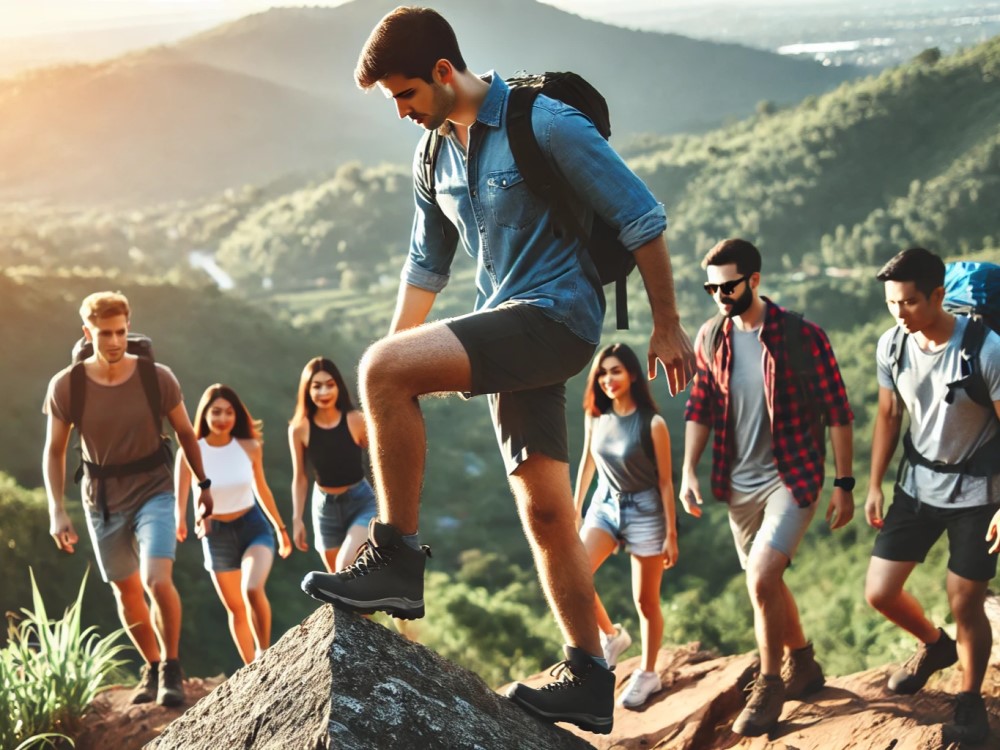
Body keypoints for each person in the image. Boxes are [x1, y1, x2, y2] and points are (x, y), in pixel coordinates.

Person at [300, 6, 695, 735]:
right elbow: (426, 266)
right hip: (507, 326)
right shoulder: (433, 156)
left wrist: (667, 325)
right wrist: (388, 368)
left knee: (383, 368)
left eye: (406, 94)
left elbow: (642, 218)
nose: (401, 111)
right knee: (546, 511)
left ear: (444, 72)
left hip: (559, 318)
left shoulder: (544, 123)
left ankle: (395, 560)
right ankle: (587, 673)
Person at [680, 238, 855, 737]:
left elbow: (839, 414)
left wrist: (844, 483)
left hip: (792, 475)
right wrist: (689, 469)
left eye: (728, 285)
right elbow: (701, 408)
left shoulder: (802, 336)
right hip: (737, 483)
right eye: (711, 287)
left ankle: (770, 683)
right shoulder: (711, 337)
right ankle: (804, 661)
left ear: (754, 280)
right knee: (768, 581)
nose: (719, 295)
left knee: (760, 577)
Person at [42, 291, 214, 707]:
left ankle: (172, 667)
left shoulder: (158, 377)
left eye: (121, 331)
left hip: (154, 488)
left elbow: (186, 433)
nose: (115, 341)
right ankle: (152, 666)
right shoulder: (67, 385)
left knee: (157, 578)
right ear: (88, 332)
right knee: (126, 592)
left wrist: (204, 487)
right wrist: (56, 510)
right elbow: (54, 450)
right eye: (105, 333)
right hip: (101, 499)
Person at [865, 247, 1000, 746]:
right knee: (880, 592)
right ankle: (935, 645)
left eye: (910, 303)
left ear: (939, 295)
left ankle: (969, 698)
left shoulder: (985, 351)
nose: (900, 314)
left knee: (965, 601)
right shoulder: (893, 345)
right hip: (916, 486)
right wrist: (874, 483)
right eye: (892, 303)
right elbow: (888, 415)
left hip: (979, 492)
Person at [573, 343, 677, 710]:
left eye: (615, 371)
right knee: (575, 576)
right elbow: (588, 461)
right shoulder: (596, 416)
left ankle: (649, 673)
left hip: (645, 510)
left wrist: (671, 534)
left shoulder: (653, 423)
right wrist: (577, 506)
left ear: (632, 373)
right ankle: (613, 636)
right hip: (604, 503)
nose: (608, 379)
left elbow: (665, 483)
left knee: (645, 600)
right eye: (602, 373)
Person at [175, 384, 292, 664]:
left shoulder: (250, 447)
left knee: (252, 589)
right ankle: (251, 668)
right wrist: (181, 520)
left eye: (229, 412)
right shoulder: (191, 451)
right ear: (205, 414)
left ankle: (265, 653)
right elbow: (181, 492)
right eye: (216, 412)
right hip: (216, 536)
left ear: (236, 416)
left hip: (253, 526)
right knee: (236, 609)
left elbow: (262, 488)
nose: (222, 419)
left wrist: (280, 528)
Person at [288, 357, 377, 574]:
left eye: (330, 385)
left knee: (346, 567)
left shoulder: (356, 420)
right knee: (338, 582)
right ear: (307, 390)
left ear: (338, 386)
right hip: (324, 509)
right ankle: (361, 610)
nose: (324, 392)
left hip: (361, 502)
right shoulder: (299, 429)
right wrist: (297, 519)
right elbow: (300, 477)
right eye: (317, 386)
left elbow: (378, 461)